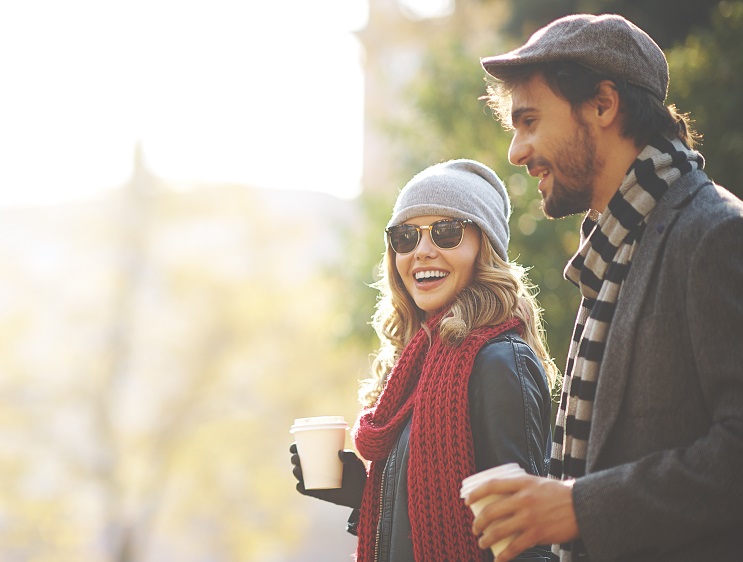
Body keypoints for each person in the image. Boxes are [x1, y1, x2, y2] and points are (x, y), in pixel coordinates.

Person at [466, 13, 743, 562]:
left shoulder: (714, 234)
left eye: (528, 121)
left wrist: (579, 507)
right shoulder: (615, 249)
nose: (516, 152)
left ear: (602, 104)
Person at [290, 159, 558, 561]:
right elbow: (424, 521)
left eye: (447, 233)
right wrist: (360, 494)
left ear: (483, 248)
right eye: (406, 236)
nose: (423, 251)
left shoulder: (499, 363)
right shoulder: (415, 367)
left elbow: (524, 546)